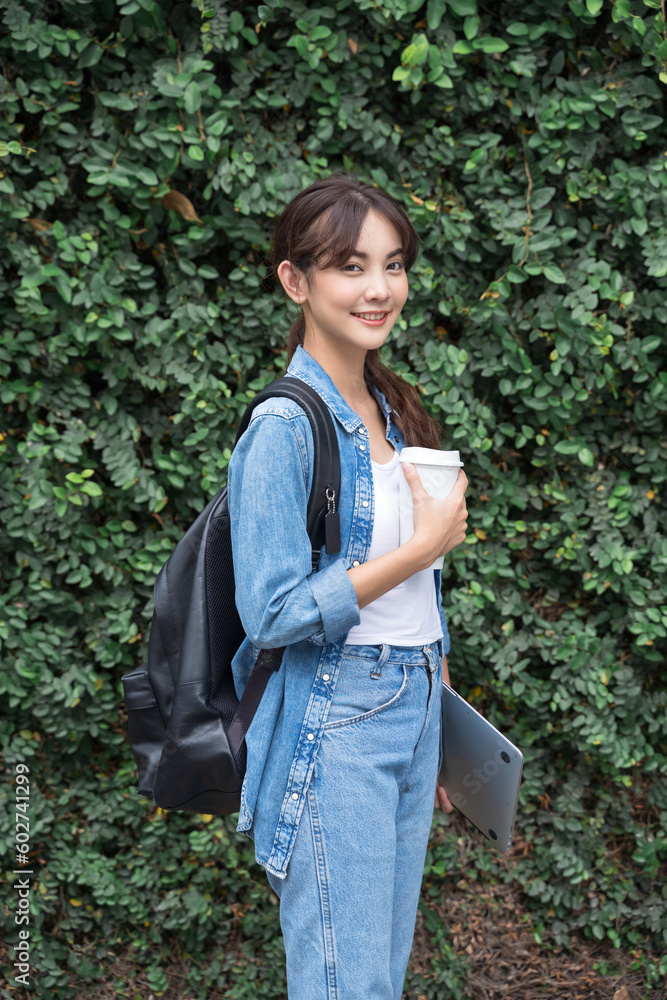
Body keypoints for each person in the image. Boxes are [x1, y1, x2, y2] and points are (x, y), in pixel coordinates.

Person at [226, 174, 469, 1000]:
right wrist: (422, 547)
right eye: (350, 266)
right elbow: (273, 612)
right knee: (345, 986)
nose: (378, 289)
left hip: (408, 711)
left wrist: (436, 709)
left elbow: (411, 600)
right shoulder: (282, 428)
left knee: (374, 981)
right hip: (336, 723)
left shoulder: (391, 411)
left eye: (393, 265)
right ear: (296, 281)